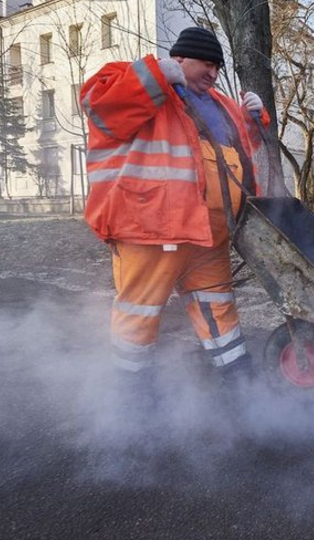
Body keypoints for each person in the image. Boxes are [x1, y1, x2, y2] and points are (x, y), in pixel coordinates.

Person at [81, 26, 272, 402]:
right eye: (207, 64)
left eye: (218, 67)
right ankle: (131, 395)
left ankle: (240, 384)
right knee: (139, 311)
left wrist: (255, 120)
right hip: (150, 230)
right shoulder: (134, 78)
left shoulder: (219, 103)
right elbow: (100, 108)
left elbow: (237, 156)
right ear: (180, 58)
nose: (214, 74)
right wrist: (154, 75)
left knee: (218, 307)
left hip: (209, 232)